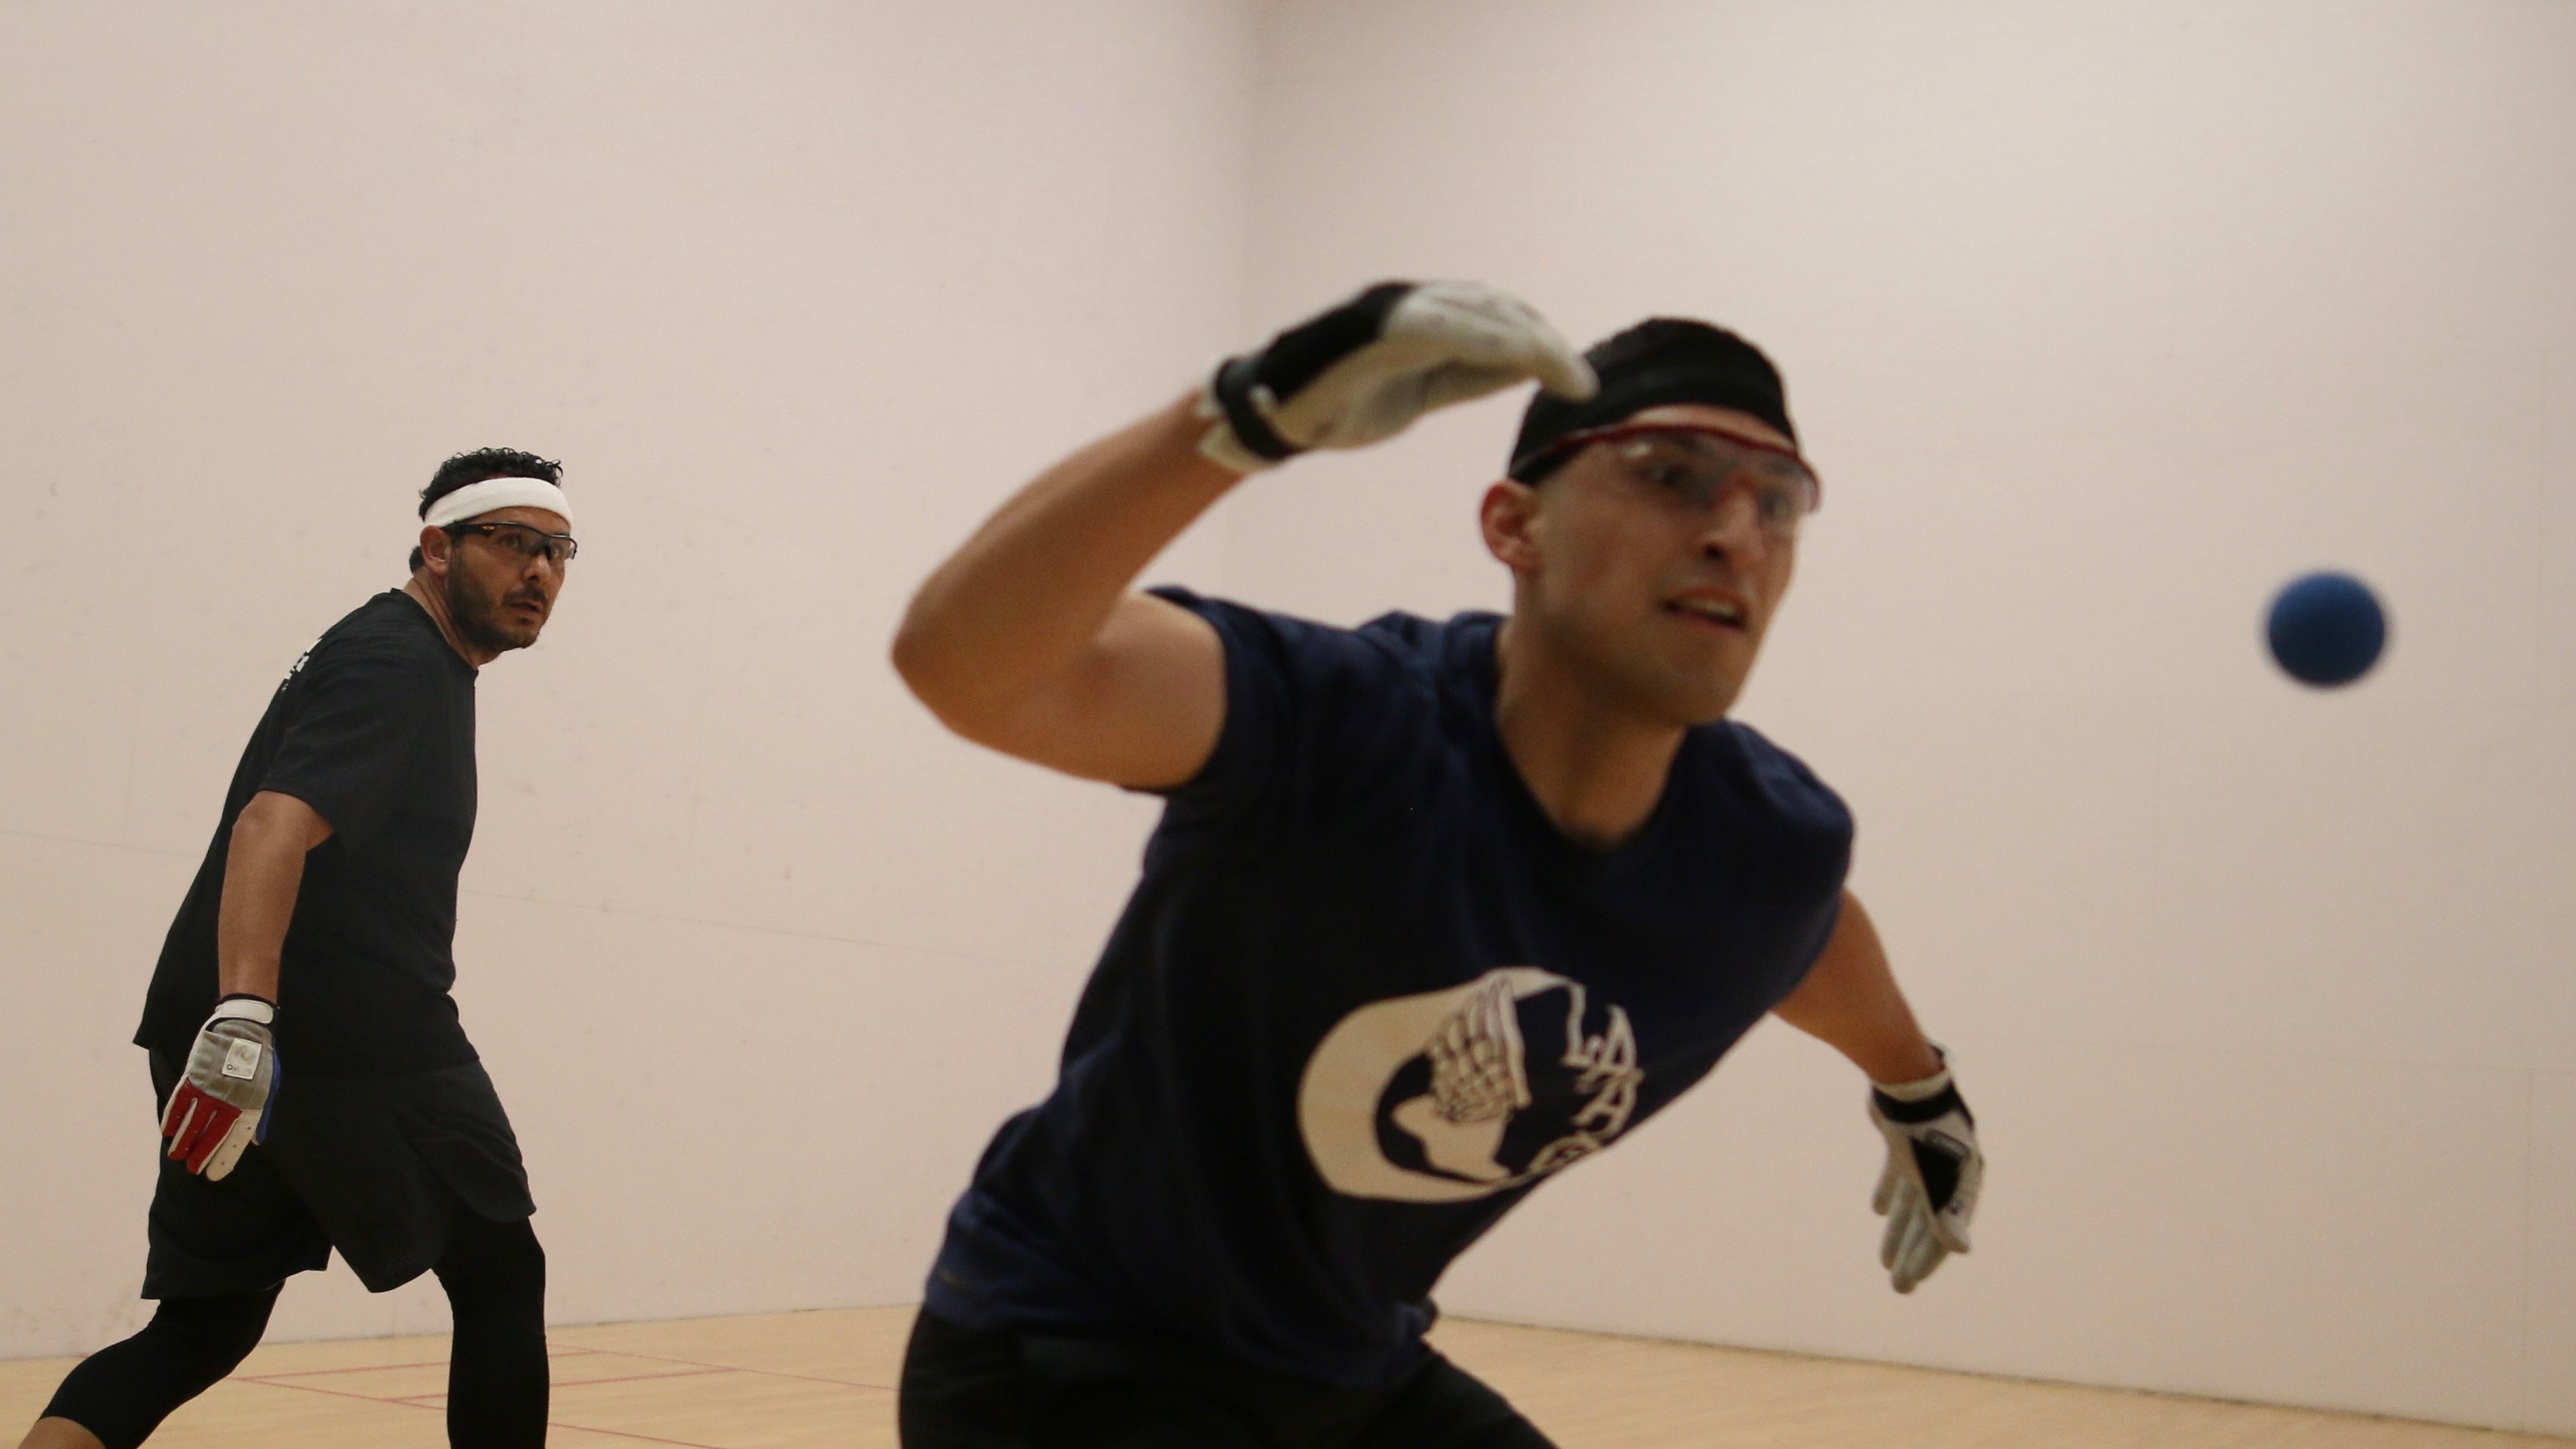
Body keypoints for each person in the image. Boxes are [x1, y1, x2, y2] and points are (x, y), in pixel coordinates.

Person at [889, 282, 1986, 1448]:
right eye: (1670, 476)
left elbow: (1815, 940)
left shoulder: (1764, 848)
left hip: (1351, 1374)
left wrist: (1921, 1092)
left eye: (1777, 503)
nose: (1737, 536)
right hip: (1069, 1355)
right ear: (1515, 527)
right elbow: (970, 669)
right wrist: (1239, 419)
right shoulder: (1342, 724)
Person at [18, 451, 581, 1449]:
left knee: (204, 1326)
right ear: (437, 548)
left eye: (558, 551)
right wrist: (246, 1019)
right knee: (500, 1274)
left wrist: (231, 1023)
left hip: (242, 1034)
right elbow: (271, 826)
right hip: (345, 1038)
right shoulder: (400, 661)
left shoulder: (394, 652)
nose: (537, 570)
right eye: (510, 543)